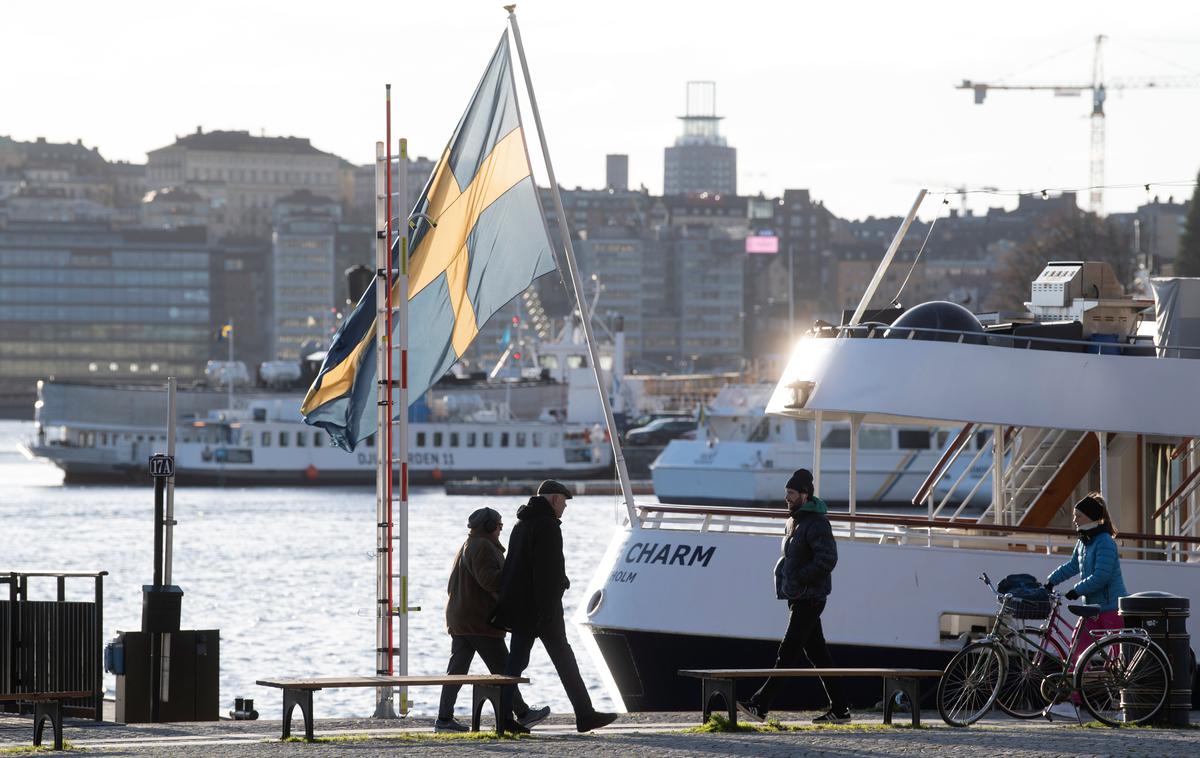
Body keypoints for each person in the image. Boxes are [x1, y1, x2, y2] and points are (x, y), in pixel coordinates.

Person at [491, 480, 618, 734]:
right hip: (543, 611)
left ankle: (504, 718)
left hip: (522, 610)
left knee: (514, 665)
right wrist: (549, 608)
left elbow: (521, 568)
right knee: (565, 661)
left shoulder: (521, 524)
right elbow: (545, 574)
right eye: (564, 501)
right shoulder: (548, 526)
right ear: (554, 499)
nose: (565, 507)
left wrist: (558, 581)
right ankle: (584, 714)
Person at [738, 468, 851, 724]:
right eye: (786, 493)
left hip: (810, 597)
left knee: (787, 651)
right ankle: (841, 709)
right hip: (797, 596)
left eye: (790, 493)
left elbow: (828, 559)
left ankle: (760, 705)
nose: (786, 497)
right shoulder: (794, 521)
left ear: (804, 494)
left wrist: (800, 577)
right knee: (818, 654)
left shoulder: (817, 522)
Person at [435, 507, 550, 733]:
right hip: (479, 621)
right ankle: (523, 713)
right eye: (499, 525)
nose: (500, 529)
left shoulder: (472, 543)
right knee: (504, 668)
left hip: (463, 618)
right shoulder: (482, 546)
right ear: (489, 526)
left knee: (457, 670)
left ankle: (444, 719)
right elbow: (489, 581)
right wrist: (517, 573)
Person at [1043, 493, 1128, 720]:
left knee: (1119, 660)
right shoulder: (1084, 541)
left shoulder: (1105, 542)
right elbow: (1072, 566)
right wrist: (1051, 581)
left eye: (1077, 515)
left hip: (1110, 608)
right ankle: (1073, 704)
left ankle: (1126, 705)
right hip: (1090, 608)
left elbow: (1101, 576)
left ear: (1089, 516)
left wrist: (1075, 590)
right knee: (1077, 654)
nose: (1074, 520)